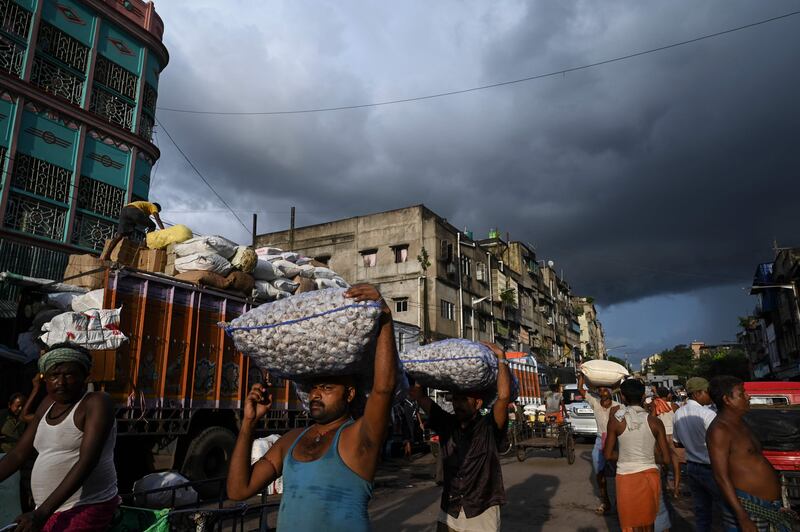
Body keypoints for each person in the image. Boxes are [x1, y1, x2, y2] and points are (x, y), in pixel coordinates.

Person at [227, 284, 397, 532]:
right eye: (314, 388)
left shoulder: (359, 437)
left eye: (327, 388)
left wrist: (384, 317)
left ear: (349, 394)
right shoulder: (290, 441)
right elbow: (238, 490)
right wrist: (248, 424)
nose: (316, 394)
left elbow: (384, 388)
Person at [0, 343, 119, 531]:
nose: (61, 382)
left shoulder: (96, 402)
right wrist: (42, 512)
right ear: (44, 378)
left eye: (69, 375)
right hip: (49, 509)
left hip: (86, 506)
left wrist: (40, 514)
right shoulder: (47, 403)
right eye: (54, 376)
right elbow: (18, 454)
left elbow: (87, 461)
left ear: (85, 376)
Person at [409, 342, 511, 532]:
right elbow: (420, 396)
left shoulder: (489, 427)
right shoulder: (447, 424)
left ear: (478, 403)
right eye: (455, 399)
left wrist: (501, 358)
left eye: (464, 400)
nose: (458, 404)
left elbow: (504, 397)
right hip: (450, 508)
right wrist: (418, 369)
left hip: (482, 508)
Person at [707, 376, 800, 532]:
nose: (748, 397)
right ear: (727, 400)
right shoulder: (720, 430)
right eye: (742, 394)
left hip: (768, 507)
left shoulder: (741, 423)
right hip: (748, 508)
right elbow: (721, 477)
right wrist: (743, 517)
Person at [604, 379, 671, 532]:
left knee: (630, 522)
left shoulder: (616, 421)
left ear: (622, 397)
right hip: (650, 475)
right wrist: (646, 457)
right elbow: (666, 459)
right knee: (648, 522)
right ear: (642, 397)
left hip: (626, 477)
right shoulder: (655, 422)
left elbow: (608, 454)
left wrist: (628, 457)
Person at [672, 377, 719, 532]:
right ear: (698, 393)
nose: (710, 396)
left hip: (692, 466)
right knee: (727, 511)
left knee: (701, 511)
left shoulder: (678, 413)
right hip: (710, 467)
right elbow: (719, 443)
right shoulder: (708, 414)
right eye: (707, 392)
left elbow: (677, 442)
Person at [577, 370, 620, 515]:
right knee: (599, 473)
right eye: (600, 390)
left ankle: (619, 501)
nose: (602, 392)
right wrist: (582, 374)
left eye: (605, 390)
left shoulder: (618, 407)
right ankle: (605, 501)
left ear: (610, 392)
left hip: (616, 441)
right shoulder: (595, 403)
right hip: (600, 440)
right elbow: (580, 389)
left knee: (619, 472)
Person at [99, 200, 164, 261]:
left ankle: (107, 255)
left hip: (124, 211)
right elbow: (157, 218)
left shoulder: (144, 206)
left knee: (120, 235)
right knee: (152, 225)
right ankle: (144, 244)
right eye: (158, 211)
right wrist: (163, 230)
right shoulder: (153, 206)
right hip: (134, 211)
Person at [652, 387, 683, 496]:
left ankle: (664, 486)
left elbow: (651, 418)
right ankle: (676, 488)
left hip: (662, 436)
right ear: (668, 395)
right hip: (673, 436)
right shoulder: (674, 406)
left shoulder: (656, 405)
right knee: (676, 463)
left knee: (661, 461)